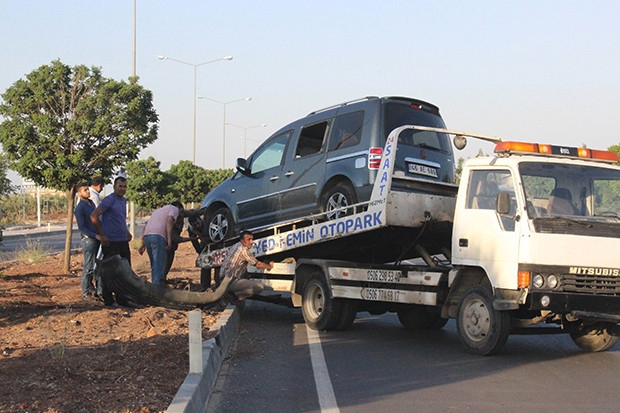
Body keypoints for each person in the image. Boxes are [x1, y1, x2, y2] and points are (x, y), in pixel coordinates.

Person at [90, 176, 133, 307]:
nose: (122, 189)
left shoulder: (123, 201)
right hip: (111, 242)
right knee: (109, 273)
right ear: (114, 186)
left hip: (122, 241)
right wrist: (102, 235)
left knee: (125, 272)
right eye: (120, 186)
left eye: (124, 186)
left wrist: (126, 232)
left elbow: (120, 219)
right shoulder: (109, 200)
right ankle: (108, 301)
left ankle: (123, 299)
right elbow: (94, 216)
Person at [219, 230, 274, 302]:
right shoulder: (243, 250)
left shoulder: (235, 245)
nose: (251, 242)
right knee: (259, 287)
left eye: (252, 239)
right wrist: (270, 266)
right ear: (242, 241)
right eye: (249, 239)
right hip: (230, 282)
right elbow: (258, 265)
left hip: (223, 280)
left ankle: (231, 294)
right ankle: (234, 296)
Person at [138, 201, 184, 285]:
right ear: (179, 208)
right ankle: (158, 291)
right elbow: (170, 220)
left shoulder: (158, 211)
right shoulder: (174, 209)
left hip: (147, 236)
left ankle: (154, 287)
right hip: (158, 237)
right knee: (159, 266)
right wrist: (169, 240)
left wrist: (143, 243)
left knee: (154, 265)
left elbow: (146, 226)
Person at [74, 182, 102, 301]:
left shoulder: (91, 204)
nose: (88, 192)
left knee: (99, 266)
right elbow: (82, 227)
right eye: (85, 190)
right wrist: (95, 235)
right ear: (79, 193)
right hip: (89, 240)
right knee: (88, 266)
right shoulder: (80, 208)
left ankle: (98, 290)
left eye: (88, 190)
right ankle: (85, 291)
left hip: (97, 238)